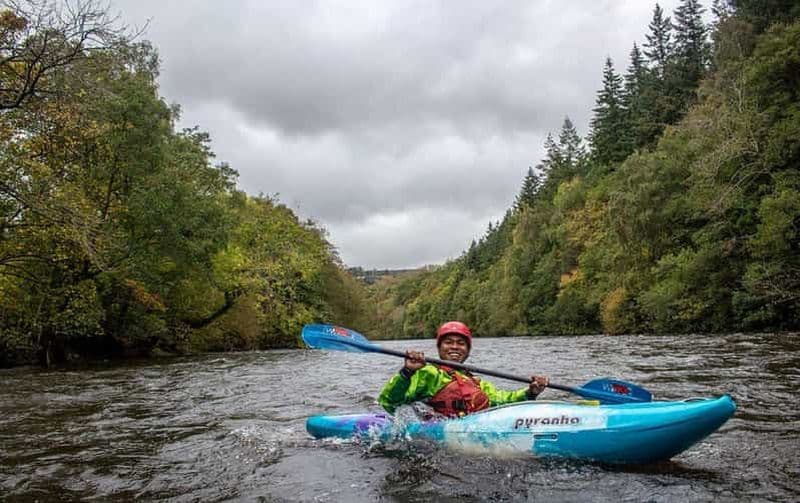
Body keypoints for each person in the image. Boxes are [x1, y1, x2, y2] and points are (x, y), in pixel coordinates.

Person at [378, 321, 549, 418]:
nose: (454, 347)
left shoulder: (475, 382)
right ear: (439, 347)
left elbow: (504, 400)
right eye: (448, 342)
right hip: (436, 437)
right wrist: (407, 372)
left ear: (467, 350)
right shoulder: (428, 373)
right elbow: (390, 402)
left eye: (461, 343)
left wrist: (531, 392)